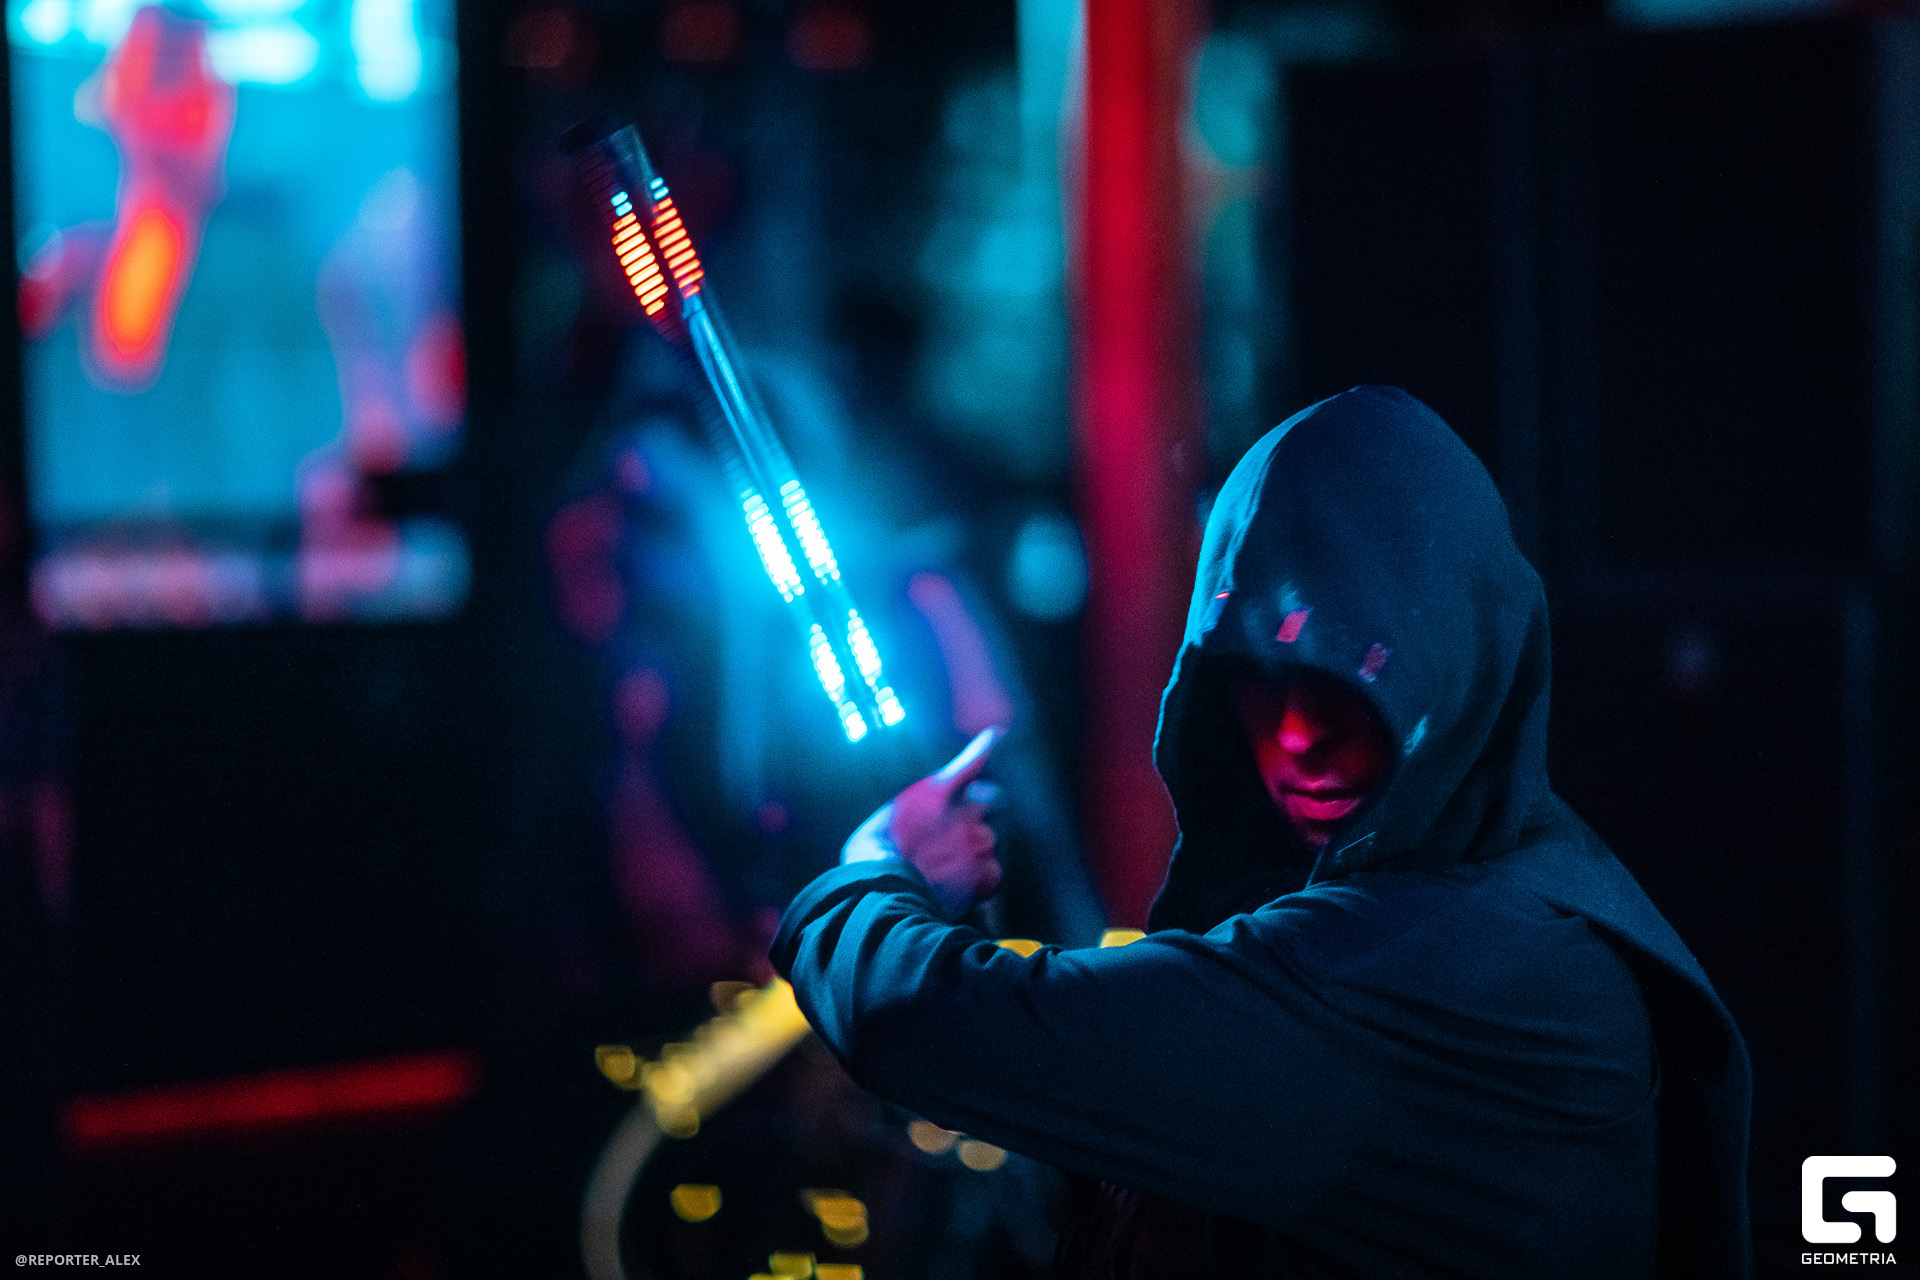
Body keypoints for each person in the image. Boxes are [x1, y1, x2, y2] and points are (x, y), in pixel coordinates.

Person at [770, 386, 1752, 1277]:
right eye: (1257, 676)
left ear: (1454, 674)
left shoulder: (1454, 958)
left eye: (1352, 679)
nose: (1295, 737)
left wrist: (880, 871)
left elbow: (922, 1019)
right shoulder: (1517, 882)